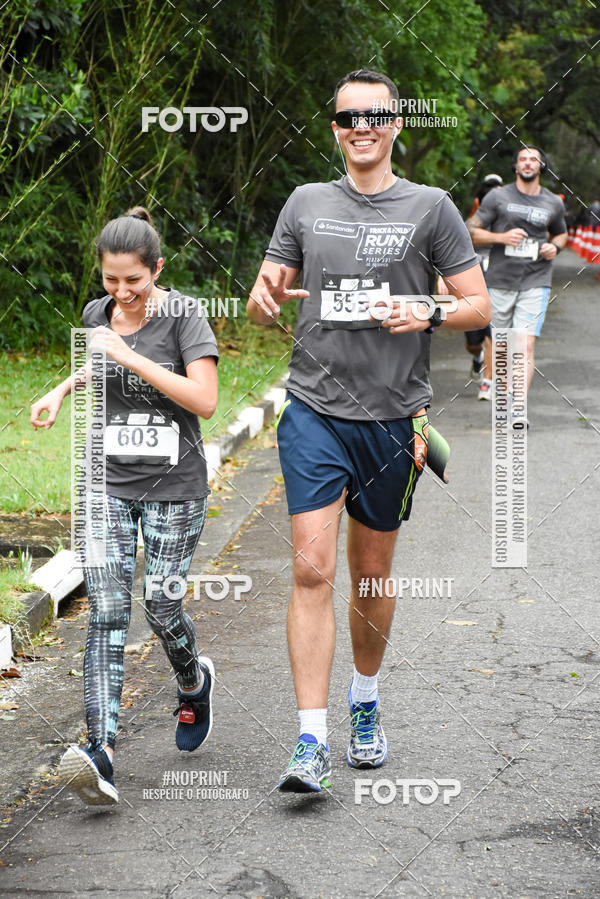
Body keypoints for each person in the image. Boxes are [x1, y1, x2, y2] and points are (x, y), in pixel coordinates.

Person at [247, 69, 490, 793]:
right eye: (348, 116)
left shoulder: (432, 208)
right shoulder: (305, 202)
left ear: (395, 123)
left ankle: (365, 699)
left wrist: (431, 313)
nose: (361, 126)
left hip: (391, 419)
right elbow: (267, 299)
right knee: (312, 570)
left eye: (374, 114)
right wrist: (261, 303)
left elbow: (479, 304)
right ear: (334, 128)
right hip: (315, 411)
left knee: (373, 572)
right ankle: (310, 739)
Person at [30, 207, 219, 805]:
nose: (121, 292)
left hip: (175, 487)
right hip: (108, 484)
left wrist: (133, 356)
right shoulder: (97, 315)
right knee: (108, 610)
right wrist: (60, 391)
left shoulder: (185, 315)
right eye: (111, 281)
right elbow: (96, 363)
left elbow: (205, 399)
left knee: (162, 606)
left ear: (156, 269)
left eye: (133, 281)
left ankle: (193, 682)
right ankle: (100, 751)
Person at [468, 146, 567, 420]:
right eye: (522, 159)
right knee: (501, 345)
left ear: (541, 166)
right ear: (515, 166)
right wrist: (501, 238)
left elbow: (561, 235)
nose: (527, 163)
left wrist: (554, 248)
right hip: (499, 280)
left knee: (524, 344)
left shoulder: (553, 203)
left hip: (536, 279)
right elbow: (471, 229)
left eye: (533, 159)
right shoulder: (497, 197)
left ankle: (518, 407)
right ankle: (503, 398)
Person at [465, 174, 503, 400]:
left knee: (493, 336)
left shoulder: (509, 221)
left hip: (499, 287)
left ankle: (487, 383)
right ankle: (476, 357)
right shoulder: (469, 225)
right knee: (473, 344)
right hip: (472, 290)